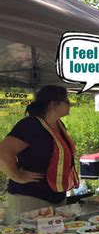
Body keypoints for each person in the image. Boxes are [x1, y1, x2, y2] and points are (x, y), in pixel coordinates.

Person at [0, 85, 79, 218]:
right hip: (32, 197)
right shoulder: (30, 125)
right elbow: (3, 153)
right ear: (53, 104)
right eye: (66, 101)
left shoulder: (59, 124)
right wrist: (17, 176)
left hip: (57, 195)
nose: (69, 104)